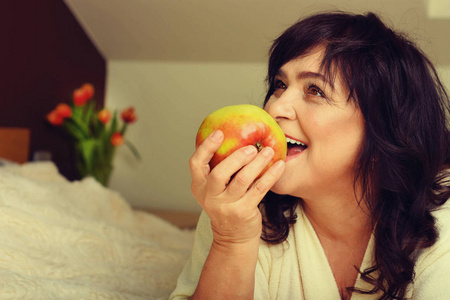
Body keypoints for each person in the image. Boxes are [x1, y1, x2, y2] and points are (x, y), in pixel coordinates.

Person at [170, 11, 450, 300]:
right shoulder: (234, 207)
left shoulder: (443, 222)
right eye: (280, 85)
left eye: (315, 90)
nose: (276, 107)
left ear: (385, 131)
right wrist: (232, 240)